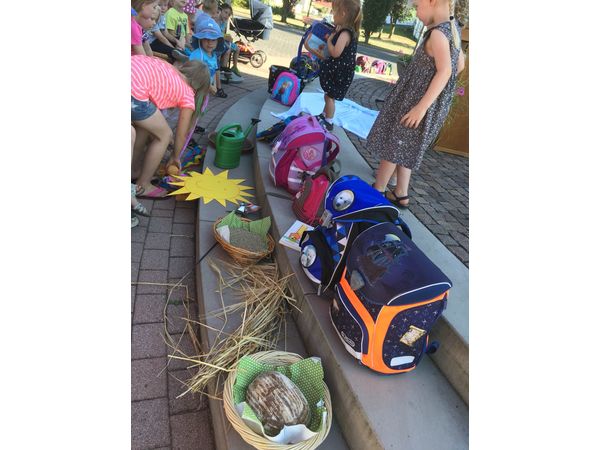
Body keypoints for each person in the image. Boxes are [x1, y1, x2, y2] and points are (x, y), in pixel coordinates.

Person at [369, 0, 465, 209]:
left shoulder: (438, 34)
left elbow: (446, 71)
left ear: (432, 2)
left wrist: (421, 106)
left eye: (416, 6)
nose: (415, 12)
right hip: (425, 104)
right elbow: (459, 65)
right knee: (405, 146)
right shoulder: (452, 30)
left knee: (394, 146)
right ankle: (401, 193)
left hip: (417, 105)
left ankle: (377, 190)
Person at [131, 55, 211, 198]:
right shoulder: (187, 93)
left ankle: (133, 170)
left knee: (145, 127)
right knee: (164, 135)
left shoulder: (169, 69)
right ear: (199, 88)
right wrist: (175, 156)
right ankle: (144, 184)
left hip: (133, 74)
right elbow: (181, 134)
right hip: (134, 89)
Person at [316, 0, 362, 131]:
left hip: (339, 73)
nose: (332, 14)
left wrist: (330, 40)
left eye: (334, 11)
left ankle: (329, 121)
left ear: (343, 13)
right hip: (340, 71)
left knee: (329, 97)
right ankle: (325, 115)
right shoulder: (346, 30)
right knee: (328, 96)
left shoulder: (345, 33)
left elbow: (336, 53)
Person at [189, 15, 227, 98]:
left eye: (213, 40)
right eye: (206, 39)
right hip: (194, 91)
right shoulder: (197, 54)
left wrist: (215, 86)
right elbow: (193, 74)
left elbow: (213, 72)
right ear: (200, 39)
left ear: (218, 42)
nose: (210, 43)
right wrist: (210, 87)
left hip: (205, 91)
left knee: (202, 108)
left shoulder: (213, 56)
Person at [216, 3, 242, 78]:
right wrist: (225, 37)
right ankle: (223, 68)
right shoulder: (217, 20)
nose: (227, 15)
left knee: (237, 48)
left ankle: (234, 67)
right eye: (225, 12)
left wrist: (228, 37)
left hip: (223, 40)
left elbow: (223, 33)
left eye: (229, 14)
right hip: (218, 41)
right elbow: (218, 33)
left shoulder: (224, 22)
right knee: (228, 49)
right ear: (220, 11)